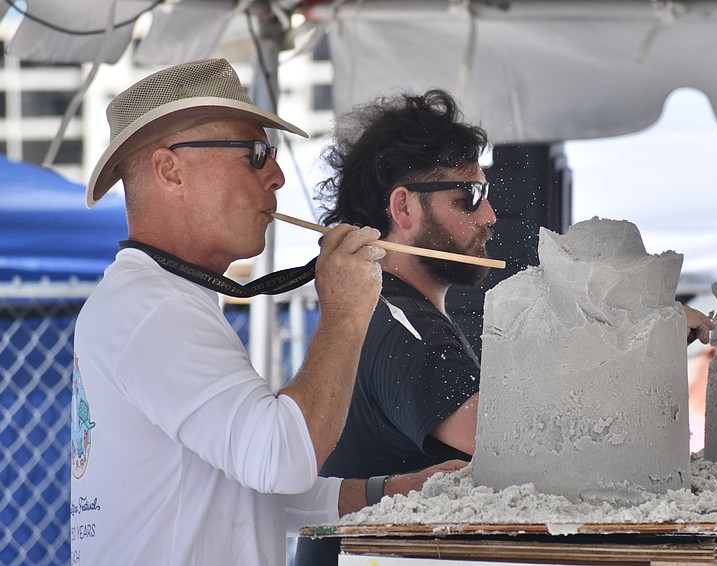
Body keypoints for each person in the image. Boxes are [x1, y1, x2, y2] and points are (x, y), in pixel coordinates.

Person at [293, 88, 716, 565]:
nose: (490, 215)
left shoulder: (392, 311)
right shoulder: (399, 322)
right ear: (404, 208)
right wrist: (635, 332)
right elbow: (520, 445)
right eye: (469, 197)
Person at [70, 58, 463, 566]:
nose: (276, 177)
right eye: (256, 155)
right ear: (171, 171)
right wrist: (344, 311)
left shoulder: (153, 299)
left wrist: (396, 493)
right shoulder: (155, 308)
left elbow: (245, 491)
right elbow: (281, 460)